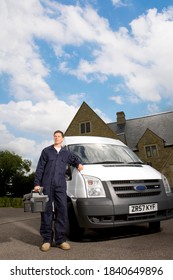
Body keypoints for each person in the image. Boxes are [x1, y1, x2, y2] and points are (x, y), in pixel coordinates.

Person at [34, 130, 84, 252]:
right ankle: (47, 240)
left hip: (60, 185)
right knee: (46, 211)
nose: (56, 138)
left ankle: (61, 240)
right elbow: (40, 168)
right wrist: (37, 183)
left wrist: (78, 164)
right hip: (46, 184)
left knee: (62, 210)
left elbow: (75, 159)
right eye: (55, 136)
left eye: (59, 136)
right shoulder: (46, 151)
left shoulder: (66, 153)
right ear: (53, 138)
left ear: (62, 139)